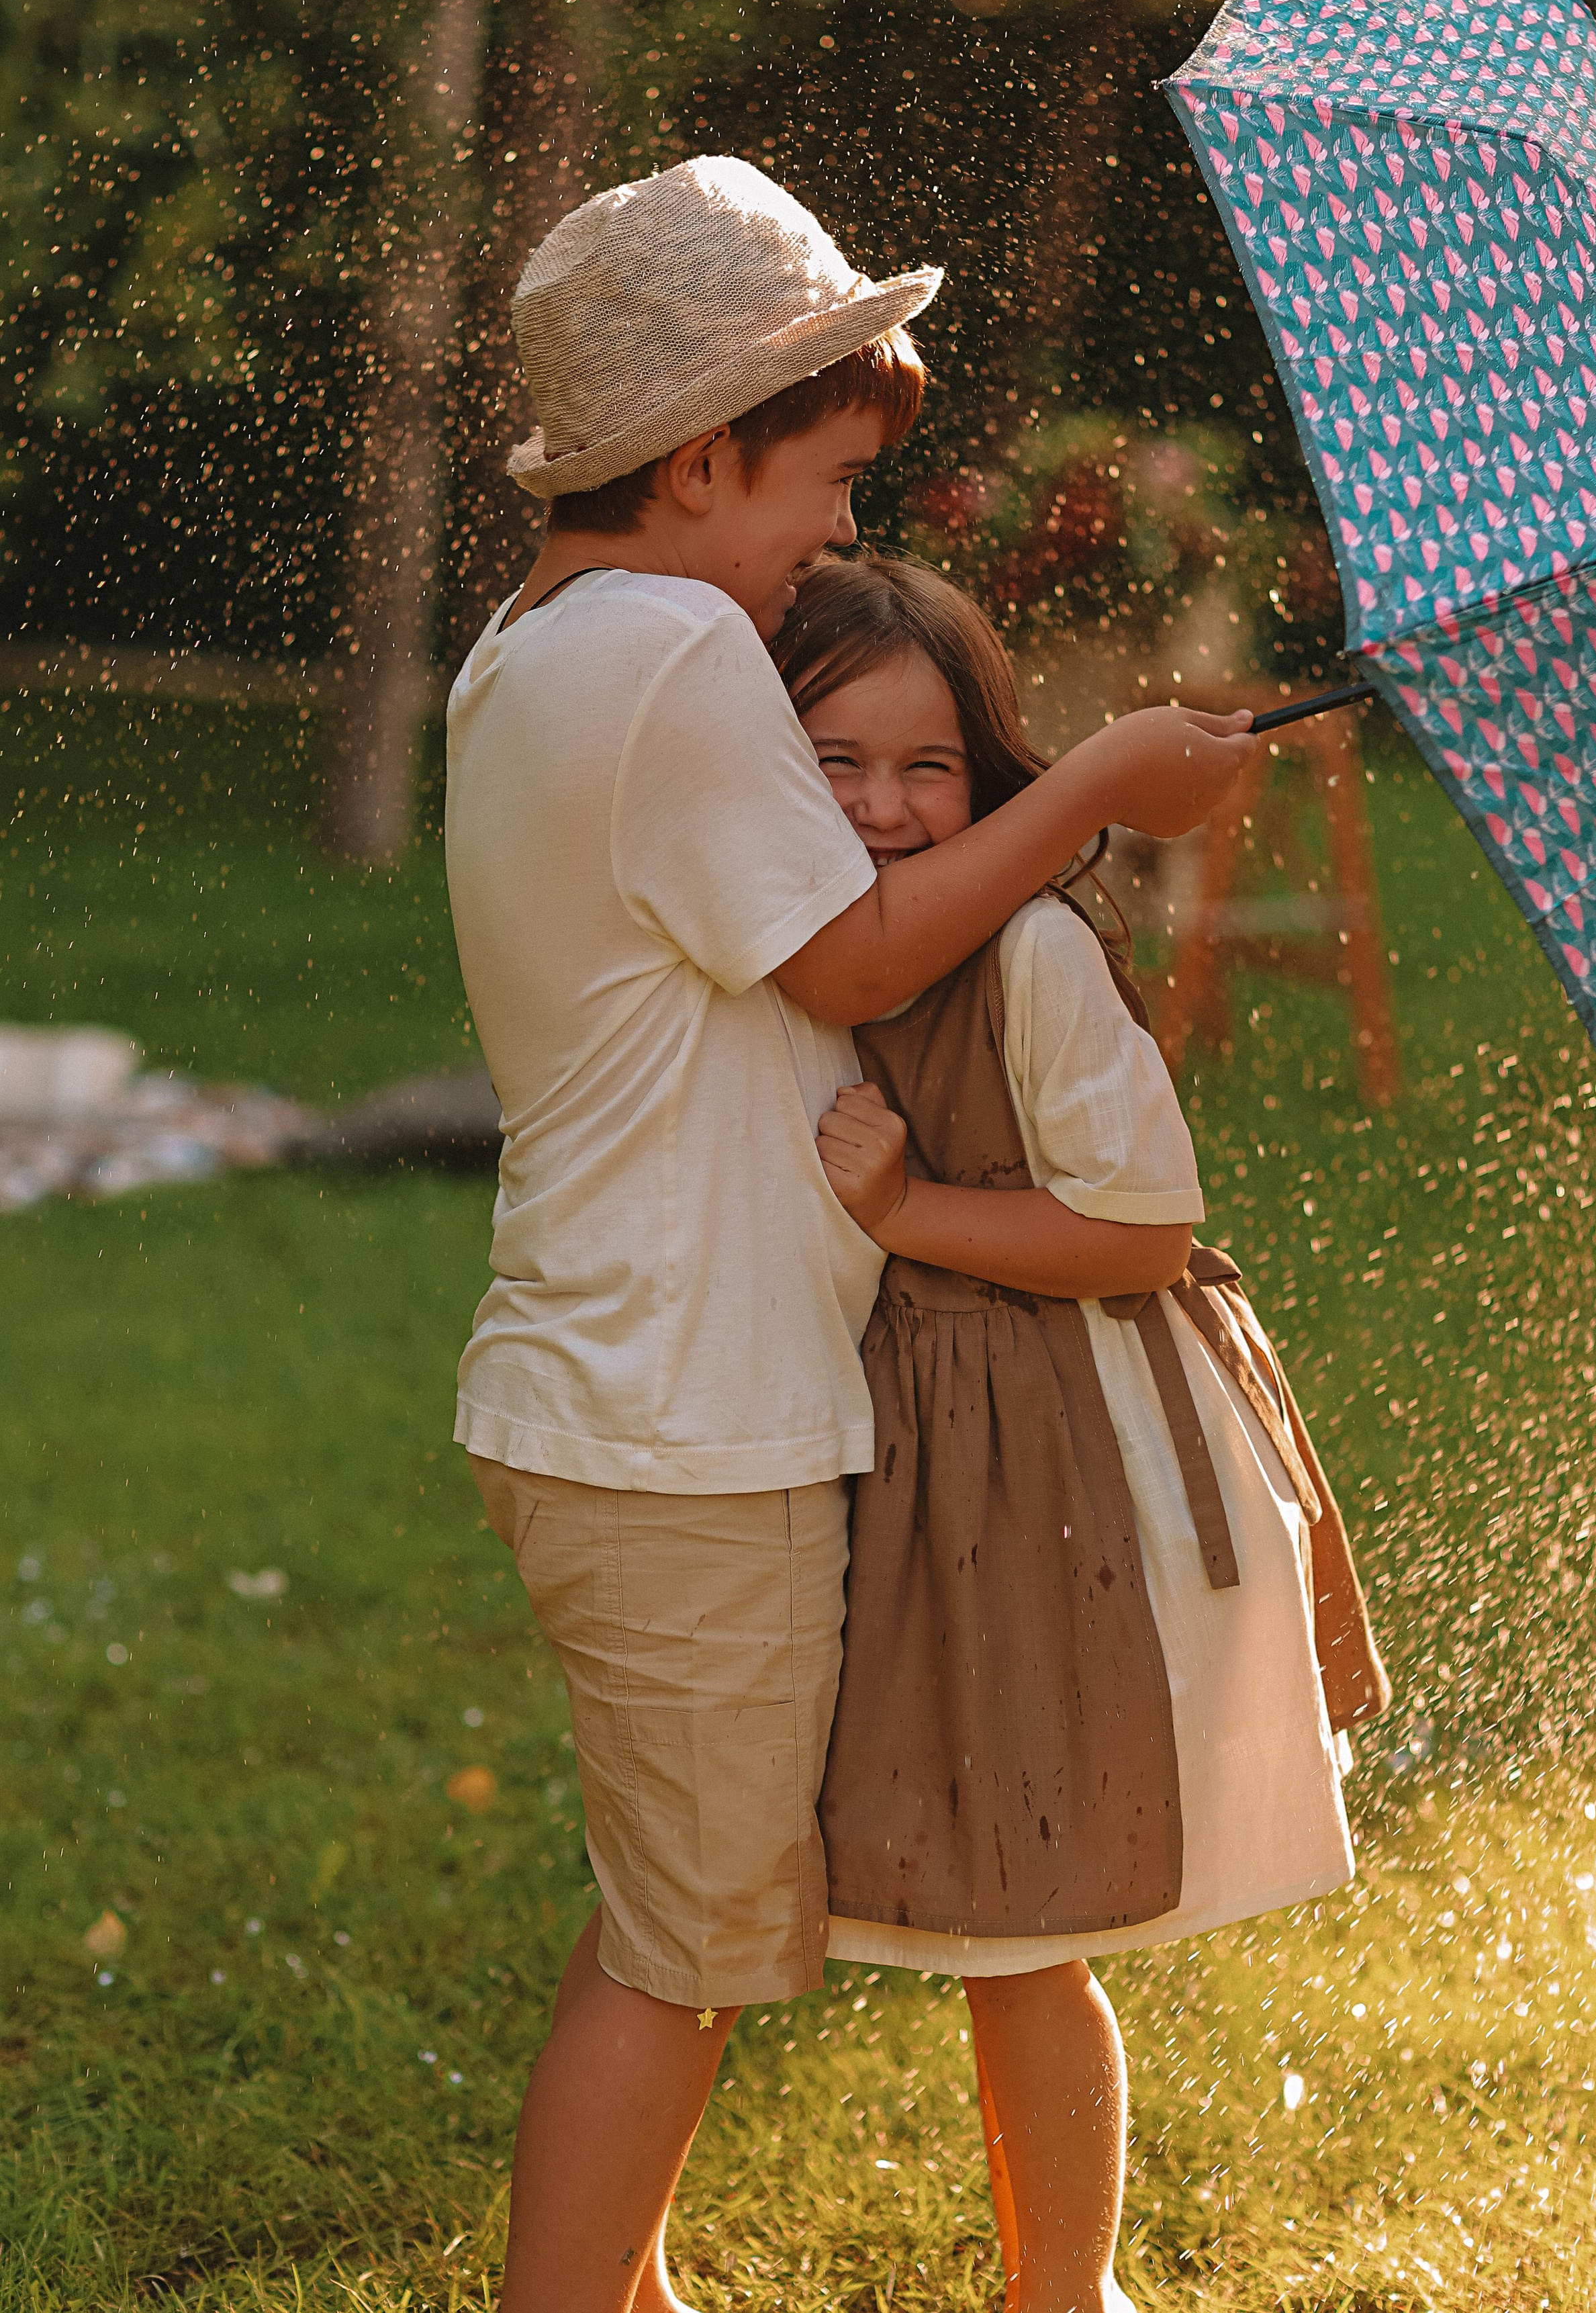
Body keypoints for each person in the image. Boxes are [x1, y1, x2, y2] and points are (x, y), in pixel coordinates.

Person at [442, 155, 1259, 2313]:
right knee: (684, 1954)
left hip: (613, 1391)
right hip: (677, 1419)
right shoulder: (671, 657)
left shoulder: (533, 646)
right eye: (818, 479)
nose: (838, 537)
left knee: (680, 1906)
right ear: (701, 458)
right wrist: (1086, 793)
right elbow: (863, 958)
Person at [776, 553, 1389, 2313]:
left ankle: (1069, 2285)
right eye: (833, 761)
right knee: (954, 1890)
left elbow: (1140, 1229)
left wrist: (914, 1216)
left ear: (993, 779)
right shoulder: (800, 946)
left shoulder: (1031, 953)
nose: (883, 808)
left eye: (927, 768)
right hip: (923, 1456)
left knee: (1025, 1918)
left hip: (1058, 1454)